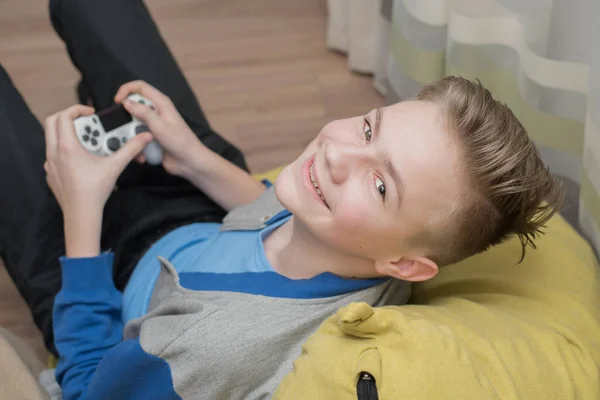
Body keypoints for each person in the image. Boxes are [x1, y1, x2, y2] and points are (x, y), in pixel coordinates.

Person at [0, 0, 564, 399]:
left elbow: (91, 387)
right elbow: (270, 208)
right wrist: (192, 153)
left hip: (103, 279)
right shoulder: (364, 242)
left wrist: (81, 211)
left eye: (381, 184)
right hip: (199, 208)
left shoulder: (207, 350)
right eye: (369, 129)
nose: (339, 155)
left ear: (407, 267)